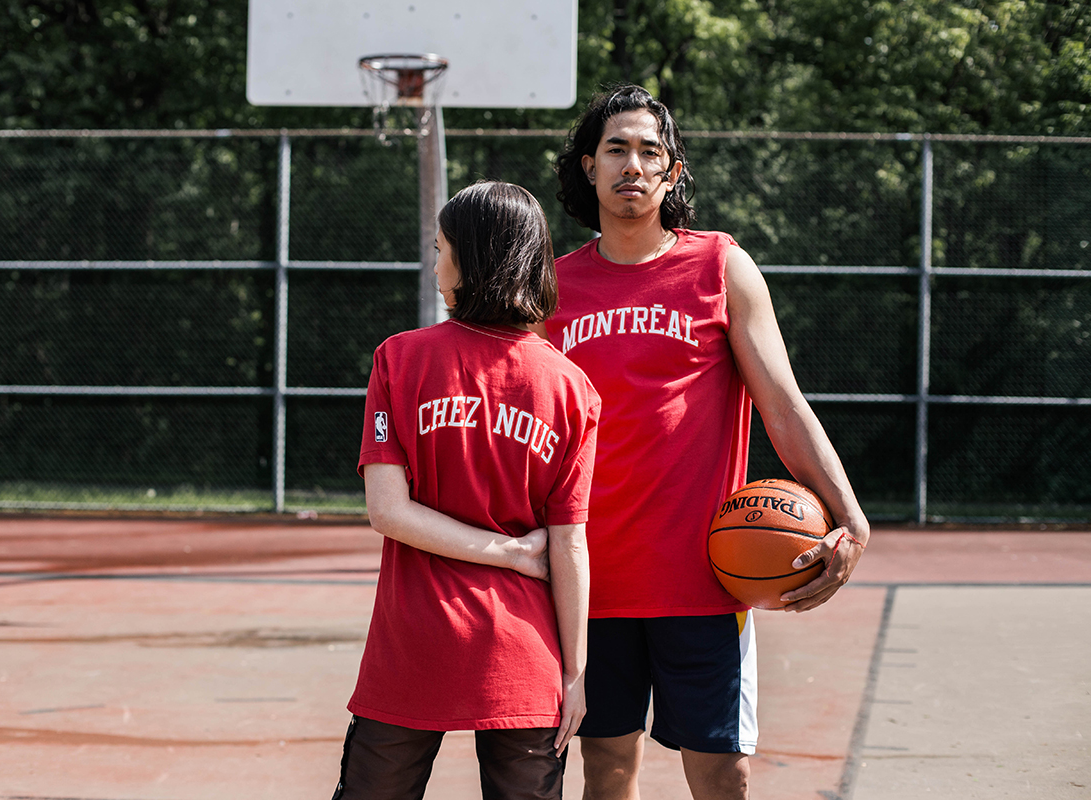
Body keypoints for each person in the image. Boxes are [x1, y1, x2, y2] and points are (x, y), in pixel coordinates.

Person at [539, 85, 870, 799]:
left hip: (706, 576)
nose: (632, 165)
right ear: (589, 167)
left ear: (673, 171)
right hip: (592, 578)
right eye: (616, 150)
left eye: (649, 151)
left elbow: (782, 404)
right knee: (607, 769)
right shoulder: (554, 288)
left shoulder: (720, 266)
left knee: (724, 773)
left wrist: (850, 516)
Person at [333, 181, 601, 800]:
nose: (434, 264)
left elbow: (387, 511)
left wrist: (513, 554)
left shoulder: (399, 359)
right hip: (523, 649)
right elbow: (569, 544)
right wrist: (576, 672)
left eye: (440, 248)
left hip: (414, 640)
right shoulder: (571, 386)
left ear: (471, 258)